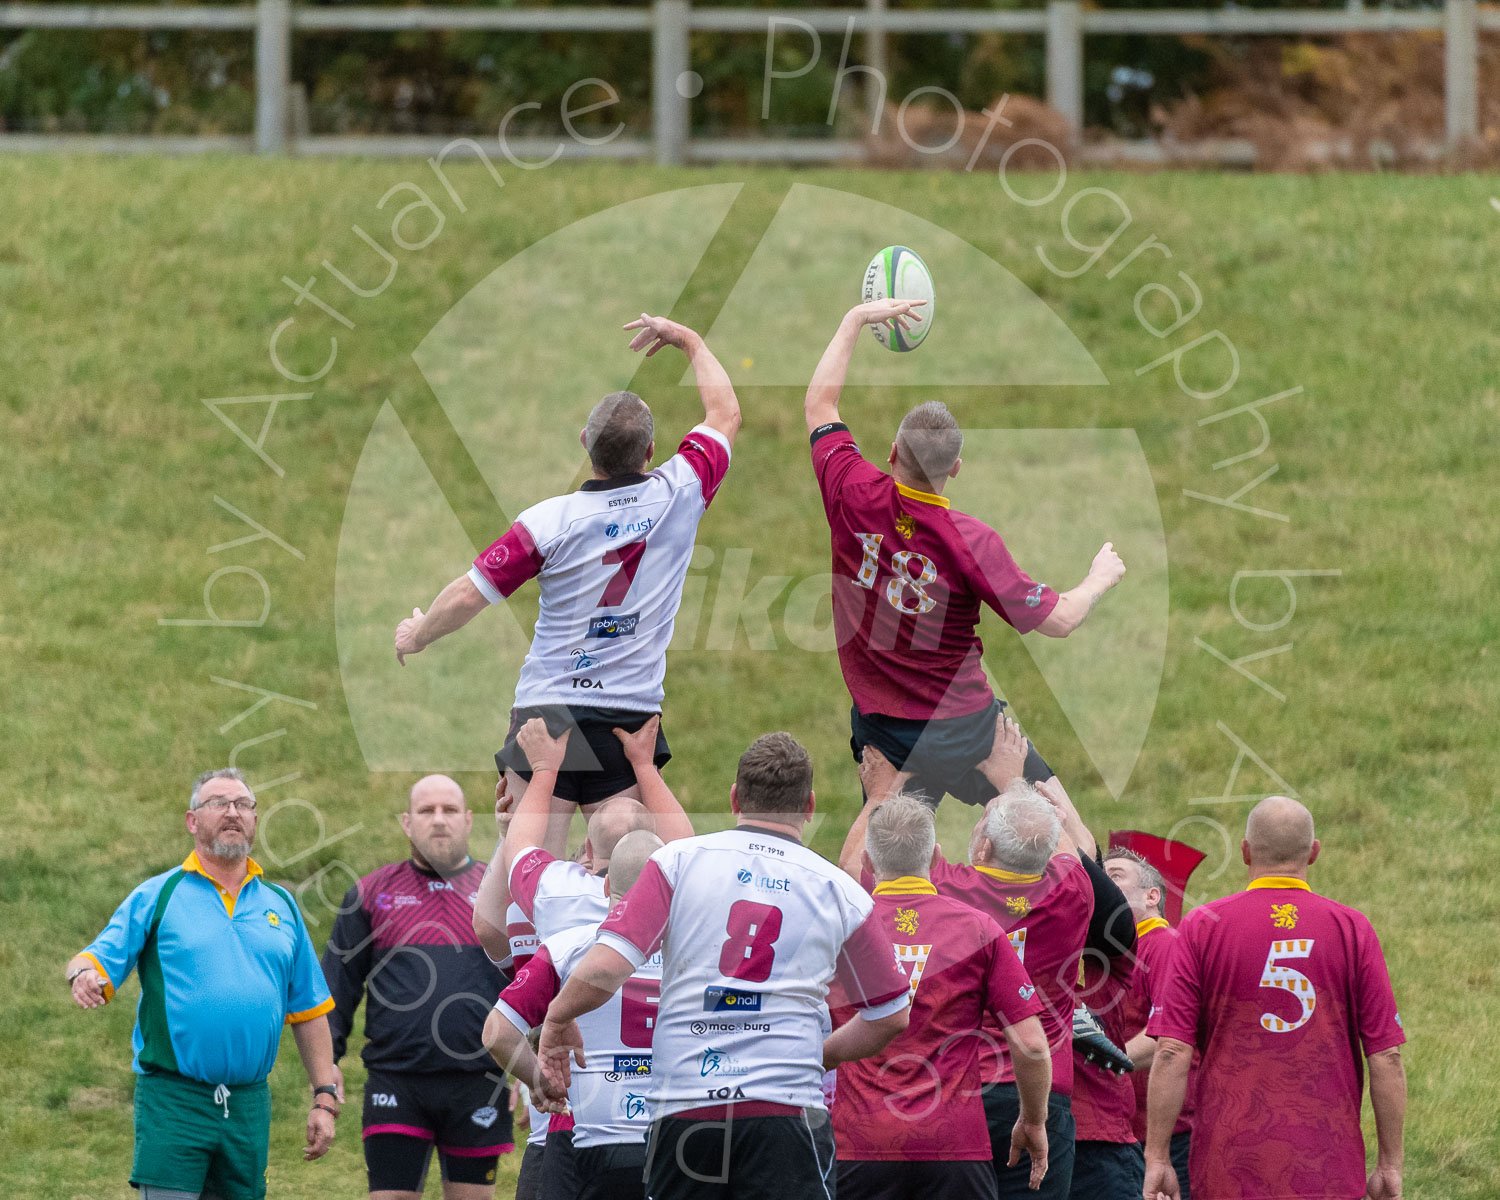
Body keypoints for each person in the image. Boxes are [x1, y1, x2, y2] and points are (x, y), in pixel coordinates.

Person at [394, 315, 738, 951]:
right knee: (637, 886)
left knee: (532, 888)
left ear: (585, 443)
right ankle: (620, 1016)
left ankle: (533, 1017)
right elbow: (724, 413)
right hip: (628, 723)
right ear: (649, 454)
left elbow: (470, 594)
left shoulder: (548, 522)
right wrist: (688, 341)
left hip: (547, 711)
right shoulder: (679, 491)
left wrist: (418, 634)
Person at [536, 732, 912, 1200]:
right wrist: (821, 1054)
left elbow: (605, 968)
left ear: (735, 798)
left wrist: (557, 1017)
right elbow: (892, 1013)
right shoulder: (841, 892)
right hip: (786, 1114)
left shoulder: (675, 862)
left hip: (685, 1114)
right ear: (810, 805)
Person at [802, 299, 1126, 806]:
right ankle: (1101, 888)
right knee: (1062, 828)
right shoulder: (972, 542)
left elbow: (820, 406)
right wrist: (1100, 577)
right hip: (965, 729)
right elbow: (1060, 620)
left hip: (883, 729)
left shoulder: (851, 489)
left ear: (891, 451)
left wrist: (854, 319)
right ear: (956, 468)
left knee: (881, 861)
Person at [65, 768, 338, 1200]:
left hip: (248, 1105)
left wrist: (324, 1097)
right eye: (218, 803)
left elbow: (309, 1008)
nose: (233, 812)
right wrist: (83, 975)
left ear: (254, 820)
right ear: (192, 821)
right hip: (174, 1099)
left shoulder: (281, 905)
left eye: (243, 805)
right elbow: (96, 955)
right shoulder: (159, 894)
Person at [1144, 796, 1407, 1200]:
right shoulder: (1352, 928)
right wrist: (1389, 1165)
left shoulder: (1202, 926)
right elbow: (1386, 1057)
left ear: (1245, 852)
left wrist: (1158, 1157)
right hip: (1327, 1168)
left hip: (1227, 1166)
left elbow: (1170, 1052)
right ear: (1314, 852)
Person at [833, 794, 1053, 1200]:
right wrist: (1034, 1120)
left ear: (866, 862)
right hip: (954, 1149)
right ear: (936, 857)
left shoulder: (840, 927)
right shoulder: (979, 929)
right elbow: (1032, 1045)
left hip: (859, 1145)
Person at [321, 774, 512, 1200]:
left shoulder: (498, 893)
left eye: (449, 811)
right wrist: (327, 1060)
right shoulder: (370, 894)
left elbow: (530, 981)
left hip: (478, 1080)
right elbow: (337, 985)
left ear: (468, 820)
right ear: (407, 823)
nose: (438, 820)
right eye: (427, 811)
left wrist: (526, 1062)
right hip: (396, 1080)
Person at [485, 829, 666, 1200]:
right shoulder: (698, 957)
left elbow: (496, 1033)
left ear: (606, 886)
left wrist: (539, 1082)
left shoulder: (566, 948)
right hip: (668, 1142)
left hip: (579, 1140)